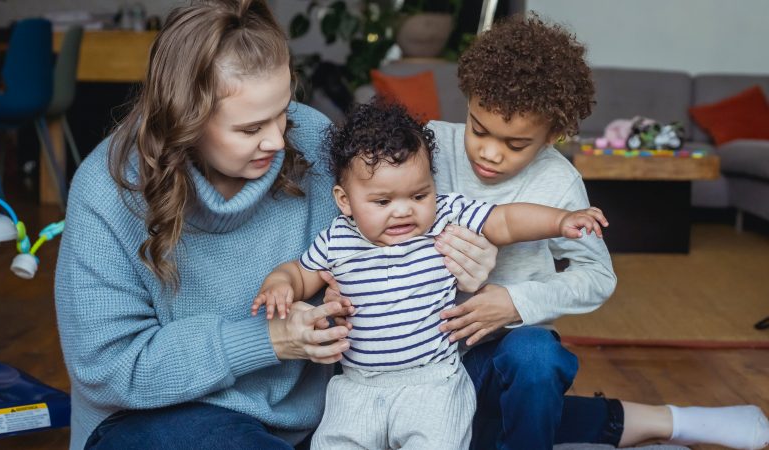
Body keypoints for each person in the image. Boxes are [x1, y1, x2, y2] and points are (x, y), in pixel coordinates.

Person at [53, 1, 495, 449]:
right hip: (156, 419)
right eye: (249, 129)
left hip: (313, 419)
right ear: (185, 118)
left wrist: (461, 267)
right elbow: (108, 370)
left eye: (282, 110)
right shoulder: (108, 190)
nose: (277, 139)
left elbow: (380, 249)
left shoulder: (310, 136)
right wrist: (266, 339)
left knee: (509, 369)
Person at [422, 13, 769, 450]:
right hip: (416, 360)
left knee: (534, 356)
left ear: (554, 135)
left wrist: (516, 302)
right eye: (478, 129)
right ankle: (665, 422)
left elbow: (597, 276)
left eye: (516, 145)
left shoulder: (559, 181)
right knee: (478, 429)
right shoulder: (429, 145)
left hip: (497, 362)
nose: (489, 154)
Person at [251, 100, 608, 450]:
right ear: (345, 201)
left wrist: (560, 221)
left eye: (419, 195)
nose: (404, 211)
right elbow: (301, 273)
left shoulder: (444, 215)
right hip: (357, 388)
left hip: (433, 383)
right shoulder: (337, 237)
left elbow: (506, 220)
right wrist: (280, 284)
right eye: (382, 202)